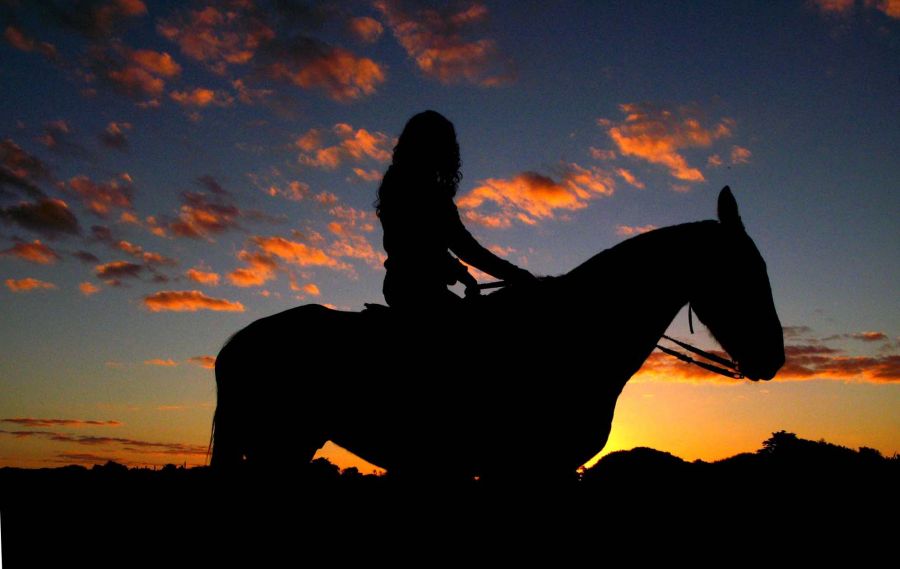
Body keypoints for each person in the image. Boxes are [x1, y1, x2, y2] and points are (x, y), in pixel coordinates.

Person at [375, 110, 536, 312]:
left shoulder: (396, 182)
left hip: (400, 286)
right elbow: (462, 246)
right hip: (420, 291)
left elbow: (426, 245)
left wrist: (461, 273)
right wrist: (516, 275)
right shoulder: (428, 192)